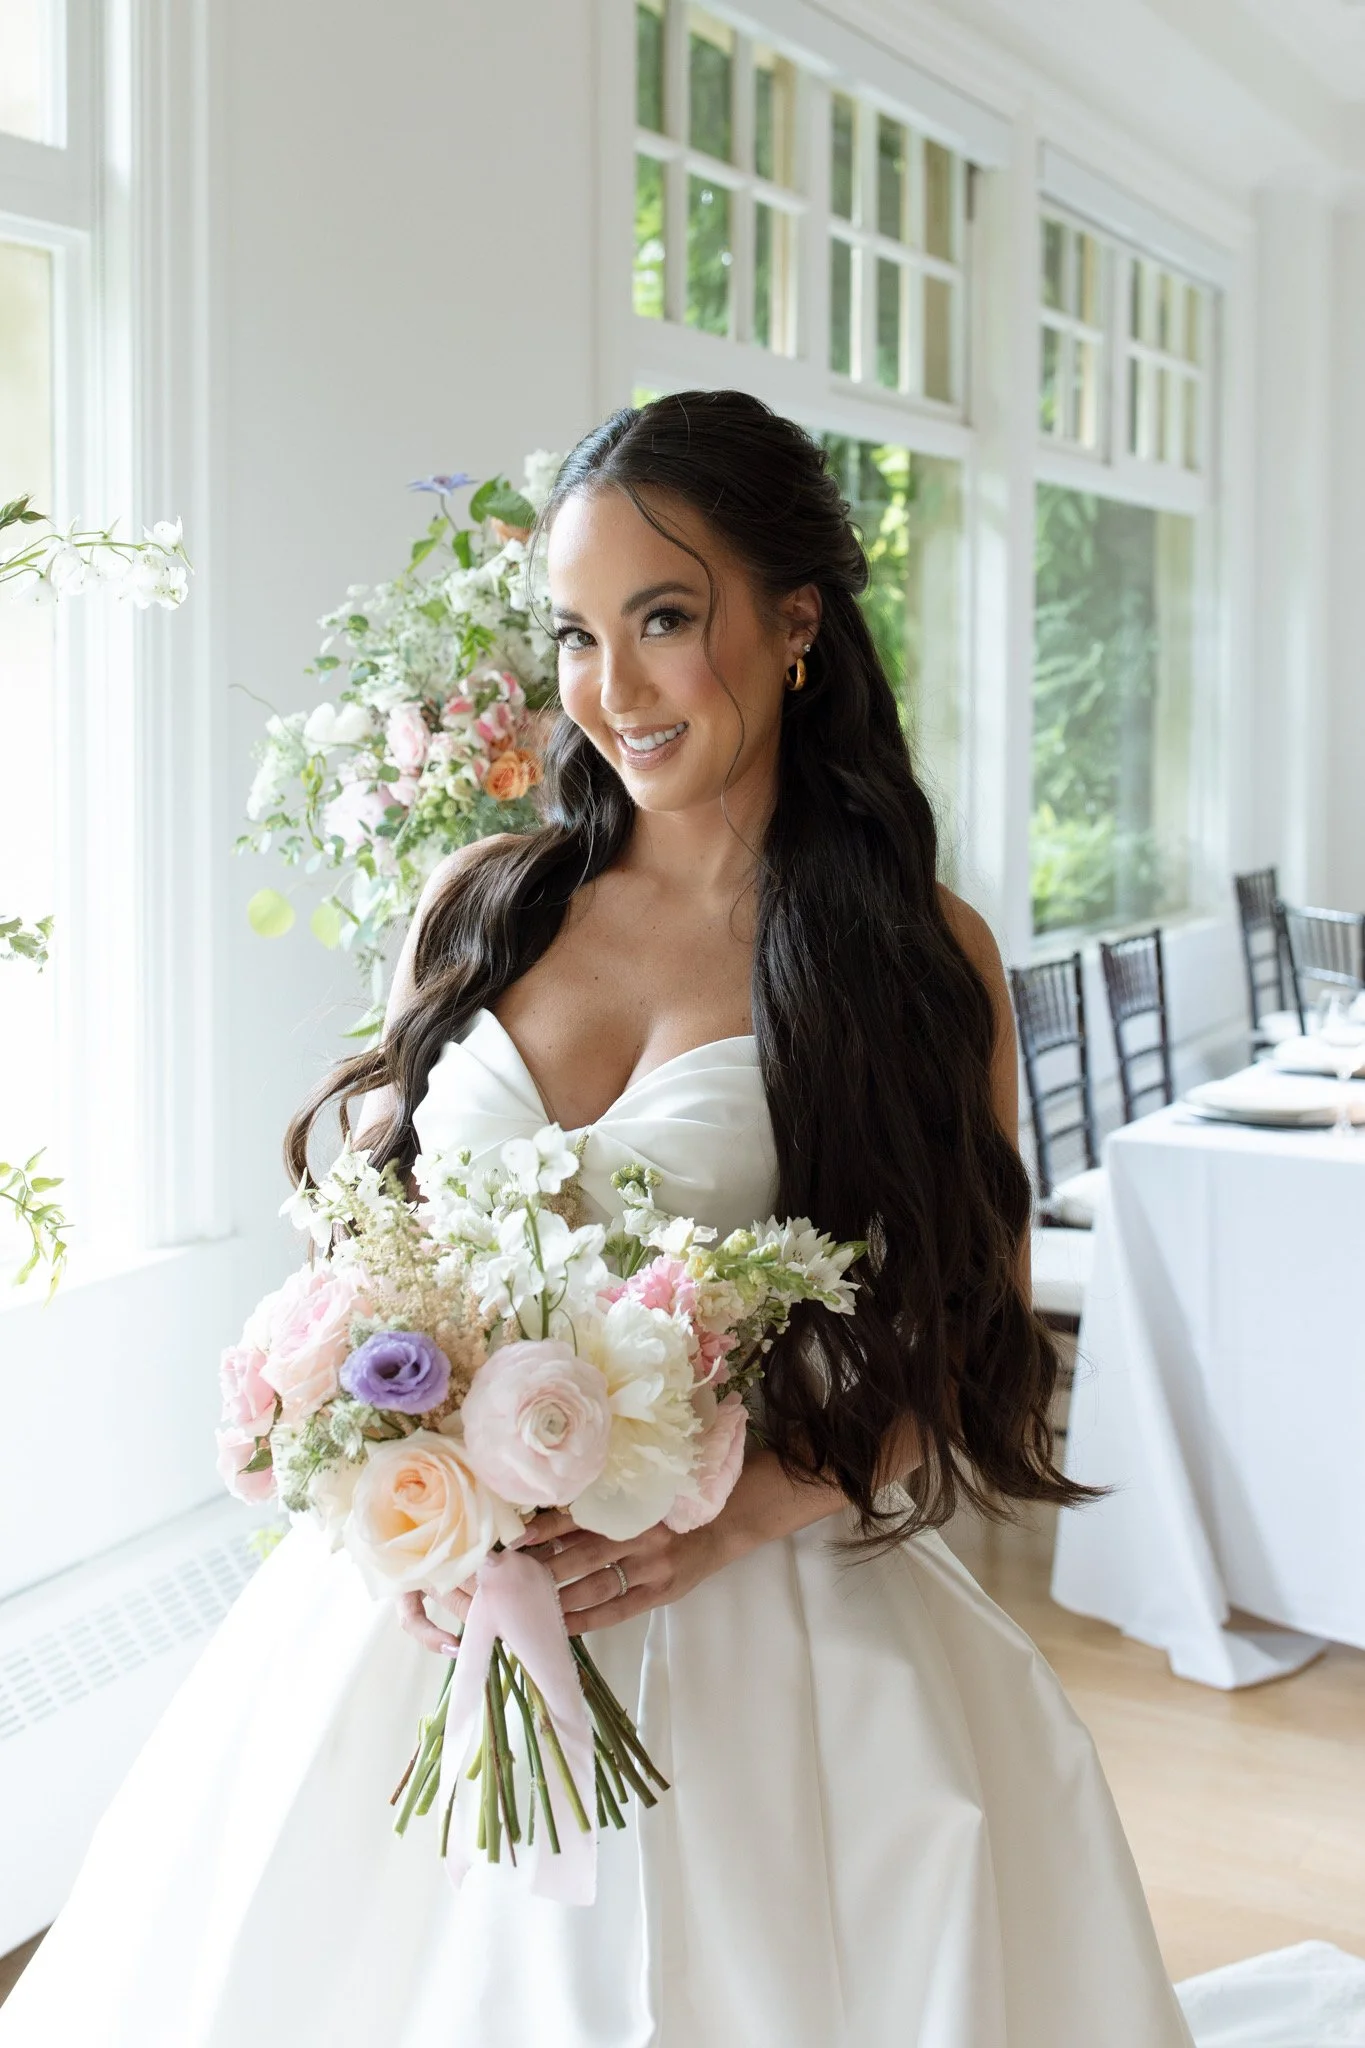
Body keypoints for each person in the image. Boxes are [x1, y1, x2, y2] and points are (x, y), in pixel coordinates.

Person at [3, 390, 1345, 2047]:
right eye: (578, 632)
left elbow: (966, 1346)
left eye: (663, 618)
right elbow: (363, 1254)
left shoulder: (919, 955)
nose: (612, 688)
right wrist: (366, 1461)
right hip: (419, 1627)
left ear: (794, 624)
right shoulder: (483, 904)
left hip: (767, 1631)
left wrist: (719, 1520)